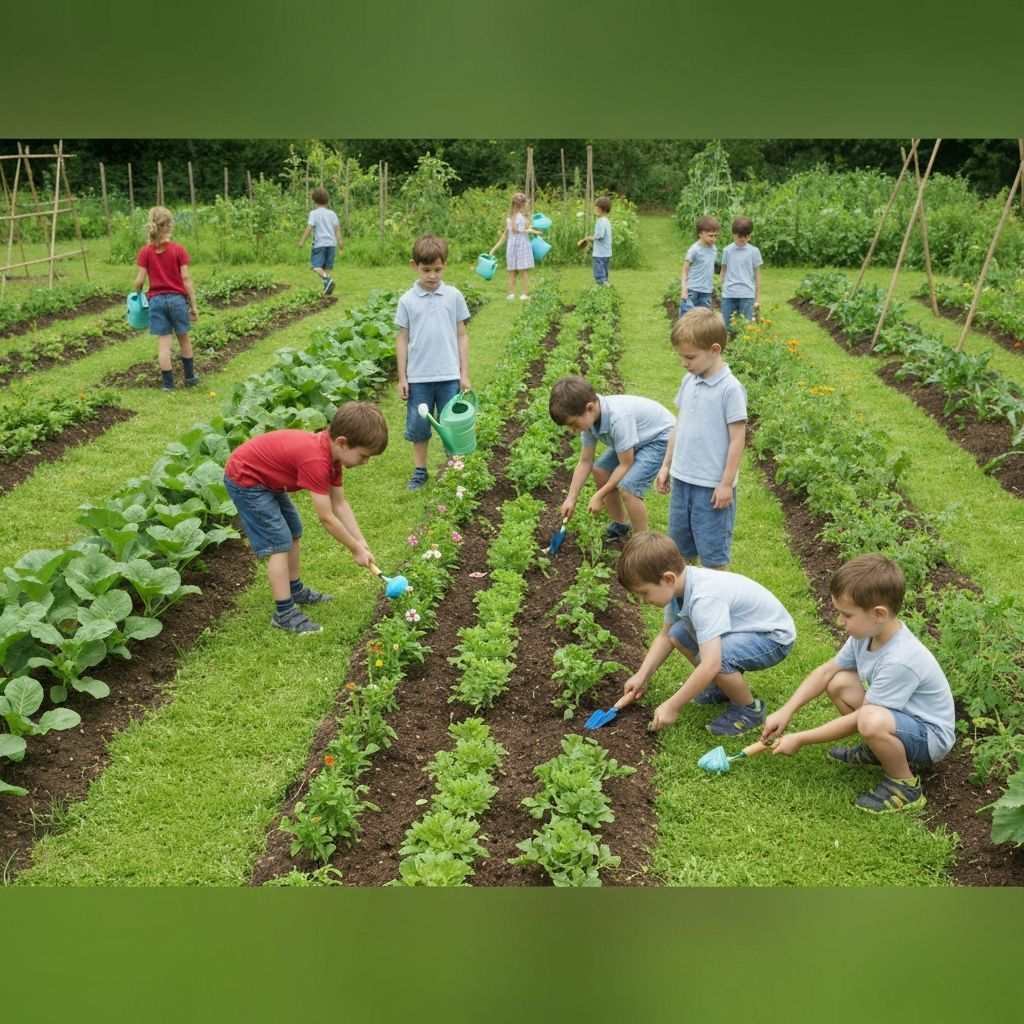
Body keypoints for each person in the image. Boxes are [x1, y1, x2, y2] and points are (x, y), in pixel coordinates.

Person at [761, 553, 955, 814]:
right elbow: (827, 671)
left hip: (929, 737)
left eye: (846, 615)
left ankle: (905, 785)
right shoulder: (865, 635)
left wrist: (801, 738)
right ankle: (877, 751)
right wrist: (787, 710)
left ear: (878, 614)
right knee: (839, 682)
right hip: (899, 719)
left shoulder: (900, 659)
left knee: (870, 720)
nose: (840, 622)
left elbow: (862, 717)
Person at [223, 401, 388, 635]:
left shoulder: (333, 457)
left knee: (293, 531)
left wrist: (360, 541)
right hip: (246, 478)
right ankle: (284, 613)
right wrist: (354, 549)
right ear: (342, 442)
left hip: (267, 480)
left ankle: (294, 589)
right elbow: (327, 517)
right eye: (363, 456)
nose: (365, 462)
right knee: (279, 542)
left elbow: (339, 503)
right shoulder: (316, 461)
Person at [616, 531, 795, 734]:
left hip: (773, 636)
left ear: (668, 578)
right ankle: (722, 688)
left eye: (644, 593)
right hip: (745, 629)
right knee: (677, 633)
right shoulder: (677, 588)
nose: (644, 601)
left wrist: (672, 705)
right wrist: (642, 676)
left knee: (719, 659)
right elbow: (665, 636)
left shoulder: (704, 598)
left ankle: (749, 710)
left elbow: (711, 664)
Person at [656, 307, 746, 574]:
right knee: (680, 555)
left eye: (690, 357)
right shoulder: (690, 380)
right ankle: (683, 611)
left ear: (715, 350)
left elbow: (737, 440)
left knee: (713, 559)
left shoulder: (730, 389)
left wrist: (726, 484)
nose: (684, 363)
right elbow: (679, 425)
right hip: (683, 480)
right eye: (681, 357)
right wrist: (666, 466)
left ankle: (714, 609)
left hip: (711, 489)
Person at [549, 375, 673, 540]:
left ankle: (643, 543)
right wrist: (571, 498)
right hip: (636, 438)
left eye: (574, 424)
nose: (573, 429)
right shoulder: (589, 420)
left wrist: (599, 495)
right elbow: (585, 461)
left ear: (590, 408)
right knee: (600, 470)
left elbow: (625, 464)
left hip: (660, 439)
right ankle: (620, 525)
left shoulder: (618, 418)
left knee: (628, 488)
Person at [395, 234, 471, 490]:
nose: (432, 276)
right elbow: (402, 339)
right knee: (419, 426)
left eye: (437, 269)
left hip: (449, 375)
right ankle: (420, 470)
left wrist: (464, 373)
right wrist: (403, 377)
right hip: (419, 378)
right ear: (414, 265)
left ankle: (454, 467)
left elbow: (462, 335)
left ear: (445, 266)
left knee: (451, 424)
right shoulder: (407, 300)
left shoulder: (453, 296)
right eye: (426, 270)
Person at [132, 206, 200, 392]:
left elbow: (139, 281)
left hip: (156, 301)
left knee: (164, 344)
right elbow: (186, 279)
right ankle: (190, 378)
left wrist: (137, 295)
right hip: (178, 300)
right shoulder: (178, 250)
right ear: (168, 225)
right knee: (184, 339)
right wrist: (193, 305)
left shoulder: (146, 252)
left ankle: (168, 385)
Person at [489, 191, 542, 300]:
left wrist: (493, 249)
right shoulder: (523, 218)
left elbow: (505, 236)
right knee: (523, 273)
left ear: (512, 204)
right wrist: (537, 232)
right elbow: (528, 230)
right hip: (522, 247)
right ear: (523, 204)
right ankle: (523, 294)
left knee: (512, 272)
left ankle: (511, 294)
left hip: (511, 248)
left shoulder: (509, 219)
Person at [297, 187, 343, 296]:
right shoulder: (332, 214)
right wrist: (340, 244)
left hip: (320, 244)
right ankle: (327, 287)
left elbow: (309, 228)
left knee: (316, 266)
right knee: (324, 268)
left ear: (314, 201)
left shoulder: (314, 213)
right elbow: (337, 230)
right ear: (327, 200)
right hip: (331, 245)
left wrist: (302, 241)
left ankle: (328, 280)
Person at [719, 216, 762, 333]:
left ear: (750, 235)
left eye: (746, 236)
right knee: (725, 326)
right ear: (734, 234)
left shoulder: (754, 252)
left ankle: (743, 349)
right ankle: (725, 348)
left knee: (745, 327)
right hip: (729, 294)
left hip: (747, 295)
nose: (742, 239)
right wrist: (722, 289)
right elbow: (723, 271)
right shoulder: (727, 250)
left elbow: (757, 275)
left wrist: (757, 298)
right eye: (740, 236)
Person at [679, 215, 720, 316]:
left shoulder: (714, 249)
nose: (713, 239)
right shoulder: (694, 249)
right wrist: (684, 289)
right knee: (687, 316)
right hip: (693, 288)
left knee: (704, 318)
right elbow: (685, 270)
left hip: (707, 290)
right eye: (710, 236)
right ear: (701, 234)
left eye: (716, 236)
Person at [577, 195, 613, 286]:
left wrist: (588, 238)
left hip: (599, 254)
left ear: (601, 210)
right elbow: (603, 237)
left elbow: (599, 236)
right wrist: (592, 240)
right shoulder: (607, 221)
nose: (594, 210)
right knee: (604, 272)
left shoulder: (601, 221)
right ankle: (604, 287)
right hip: (606, 253)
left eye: (596, 209)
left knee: (599, 274)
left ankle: (602, 287)